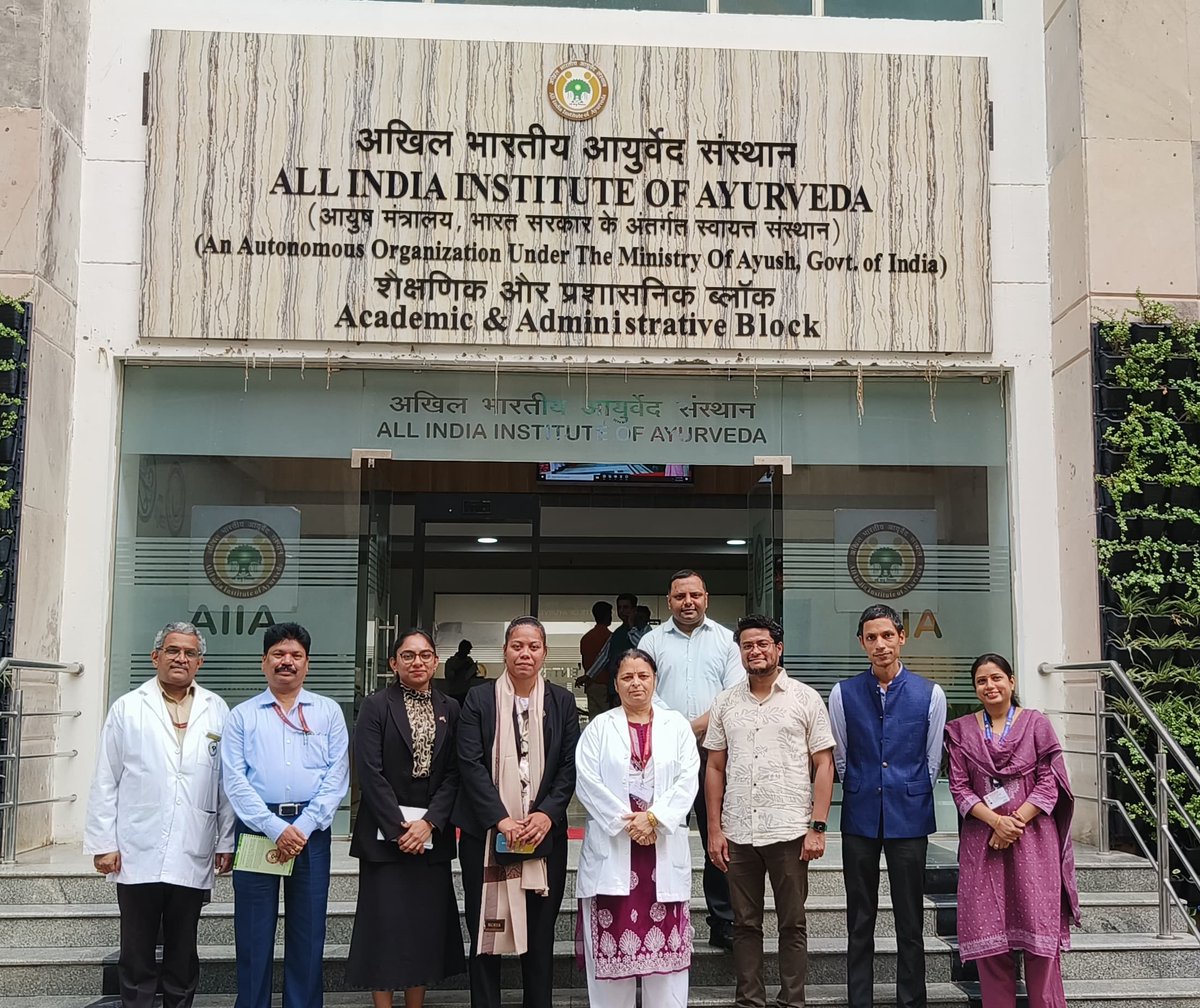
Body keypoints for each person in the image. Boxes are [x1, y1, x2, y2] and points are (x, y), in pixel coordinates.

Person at [84, 621, 234, 1008]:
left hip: (193, 843)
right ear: (156, 657)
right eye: (172, 651)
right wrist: (103, 843)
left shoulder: (216, 709)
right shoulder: (128, 708)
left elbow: (226, 785)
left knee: (183, 947)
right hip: (138, 846)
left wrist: (225, 840)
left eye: (189, 653)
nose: (180, 658)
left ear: (199, 663)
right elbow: (105, 779)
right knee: (137, 946)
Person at [704, 615, 835, 1008]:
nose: (755, 651)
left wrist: (818, 826)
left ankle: (792, 1001)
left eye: (763, 644)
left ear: (778, 648)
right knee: (744, 924)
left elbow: (824, 764)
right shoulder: (725, 702)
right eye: (747, 645)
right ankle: (750, 1001)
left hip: (790, 830)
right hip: (739, 831)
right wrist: (714, 828)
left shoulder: (805, 697)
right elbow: (714, 766)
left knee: (792, 923)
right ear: (739, 652)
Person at [453, 616, 580, 1008]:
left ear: (544, 652)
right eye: (517, 646)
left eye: (533, 646)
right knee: (485, 933)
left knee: (540, 935)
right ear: (505, 650)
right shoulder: (478, 698)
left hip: (545, 835)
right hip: (487, 834)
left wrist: (546, 815)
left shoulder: (561, 700)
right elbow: (469, 762)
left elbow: (569, 764)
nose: (525, 653)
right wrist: (501, 818)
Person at [221, 622, 350, 1008]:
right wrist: (275, 827)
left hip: (310, 832)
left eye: (295, 656)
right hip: (259, 829)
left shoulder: (328, 712)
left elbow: (337, 775)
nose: (287, 662)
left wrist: (304, 826)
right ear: (264, 662)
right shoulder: (242, 716)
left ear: (307, 664)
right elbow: (235, 781)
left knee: (308, 932)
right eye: (278, 654)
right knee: (253, 933)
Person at [945, 654, 1080, 1008]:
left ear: (1012, 682)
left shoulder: (1037, 725)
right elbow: (959, 788)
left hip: (1034, 842)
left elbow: (1050, 784)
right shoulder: (961, 732)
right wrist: (995, 822)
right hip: (984, 843)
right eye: (981, 681)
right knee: (990, 942)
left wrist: (1013, 822)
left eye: (996, 678)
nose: (990, 686)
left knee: (1040, 934)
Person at [828, 604, 946, 1008]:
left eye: (887, 636)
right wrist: (864, 786)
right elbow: (841, 757)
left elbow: (932, 761)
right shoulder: (843, 693)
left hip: (910, 818)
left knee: (909, 919)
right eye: (871, 637)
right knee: (859, 918)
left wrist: (907, 792)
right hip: (860, 815)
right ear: (861, 643)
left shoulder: (930, 693)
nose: (880, 644)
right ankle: (859, 1000)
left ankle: (911, 1001)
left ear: (901, 637)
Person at [347, 629, 466, 1008]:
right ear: (393, 663)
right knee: (383, 927)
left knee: (422, 928)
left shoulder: (451, 708)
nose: (418, 662)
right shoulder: (375, 706)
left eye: (426, 655)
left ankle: (415, 1003)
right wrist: (399, 827)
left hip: (430, 834)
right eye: (409, 655)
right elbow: (369, 770)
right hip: (386, 833)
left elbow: (454, 773)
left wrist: (429, 823)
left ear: (435, 662)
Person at [575, 648, 699, 1008]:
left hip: (660, 849)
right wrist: (627, 822)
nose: (636, 683)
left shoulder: (675, 726)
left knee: (668, 971)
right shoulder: (600, 726)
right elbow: (587, 782)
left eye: (643, 676)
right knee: (612, 965)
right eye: (627, 677)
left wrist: (655, 818)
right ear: (615, 683)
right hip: (615, 851)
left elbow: (687, 778)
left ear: (654, 679)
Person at [639, 569, 743, 949]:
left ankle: (724, 920)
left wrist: (691, 727)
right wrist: (676, 729)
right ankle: (661, 917)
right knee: (663, 833)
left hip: (715, 750)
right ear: (668, 601)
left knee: (719, 834)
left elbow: (732, 696)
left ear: (706, 598)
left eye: (695, 595)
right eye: (680, 596)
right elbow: (642, 689)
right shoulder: (650, 641)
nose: (688, 602)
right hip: (663, 752)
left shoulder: (727, 641)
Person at [576, 601, 614, 719]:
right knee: (608, 721)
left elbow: (585, 661)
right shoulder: (610, 637)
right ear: (607, 615)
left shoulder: (586, 638)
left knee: (594, 721)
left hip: (591, 685)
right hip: (605, 686)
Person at [443, 638, 480, 705]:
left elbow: (471, 675)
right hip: (454, 693)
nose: (468, 653)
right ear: (462, 649)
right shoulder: (451, 662)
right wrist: (461, 667)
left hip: (466, 692)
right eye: (467, 650)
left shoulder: (469, 660)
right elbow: (449, 677)